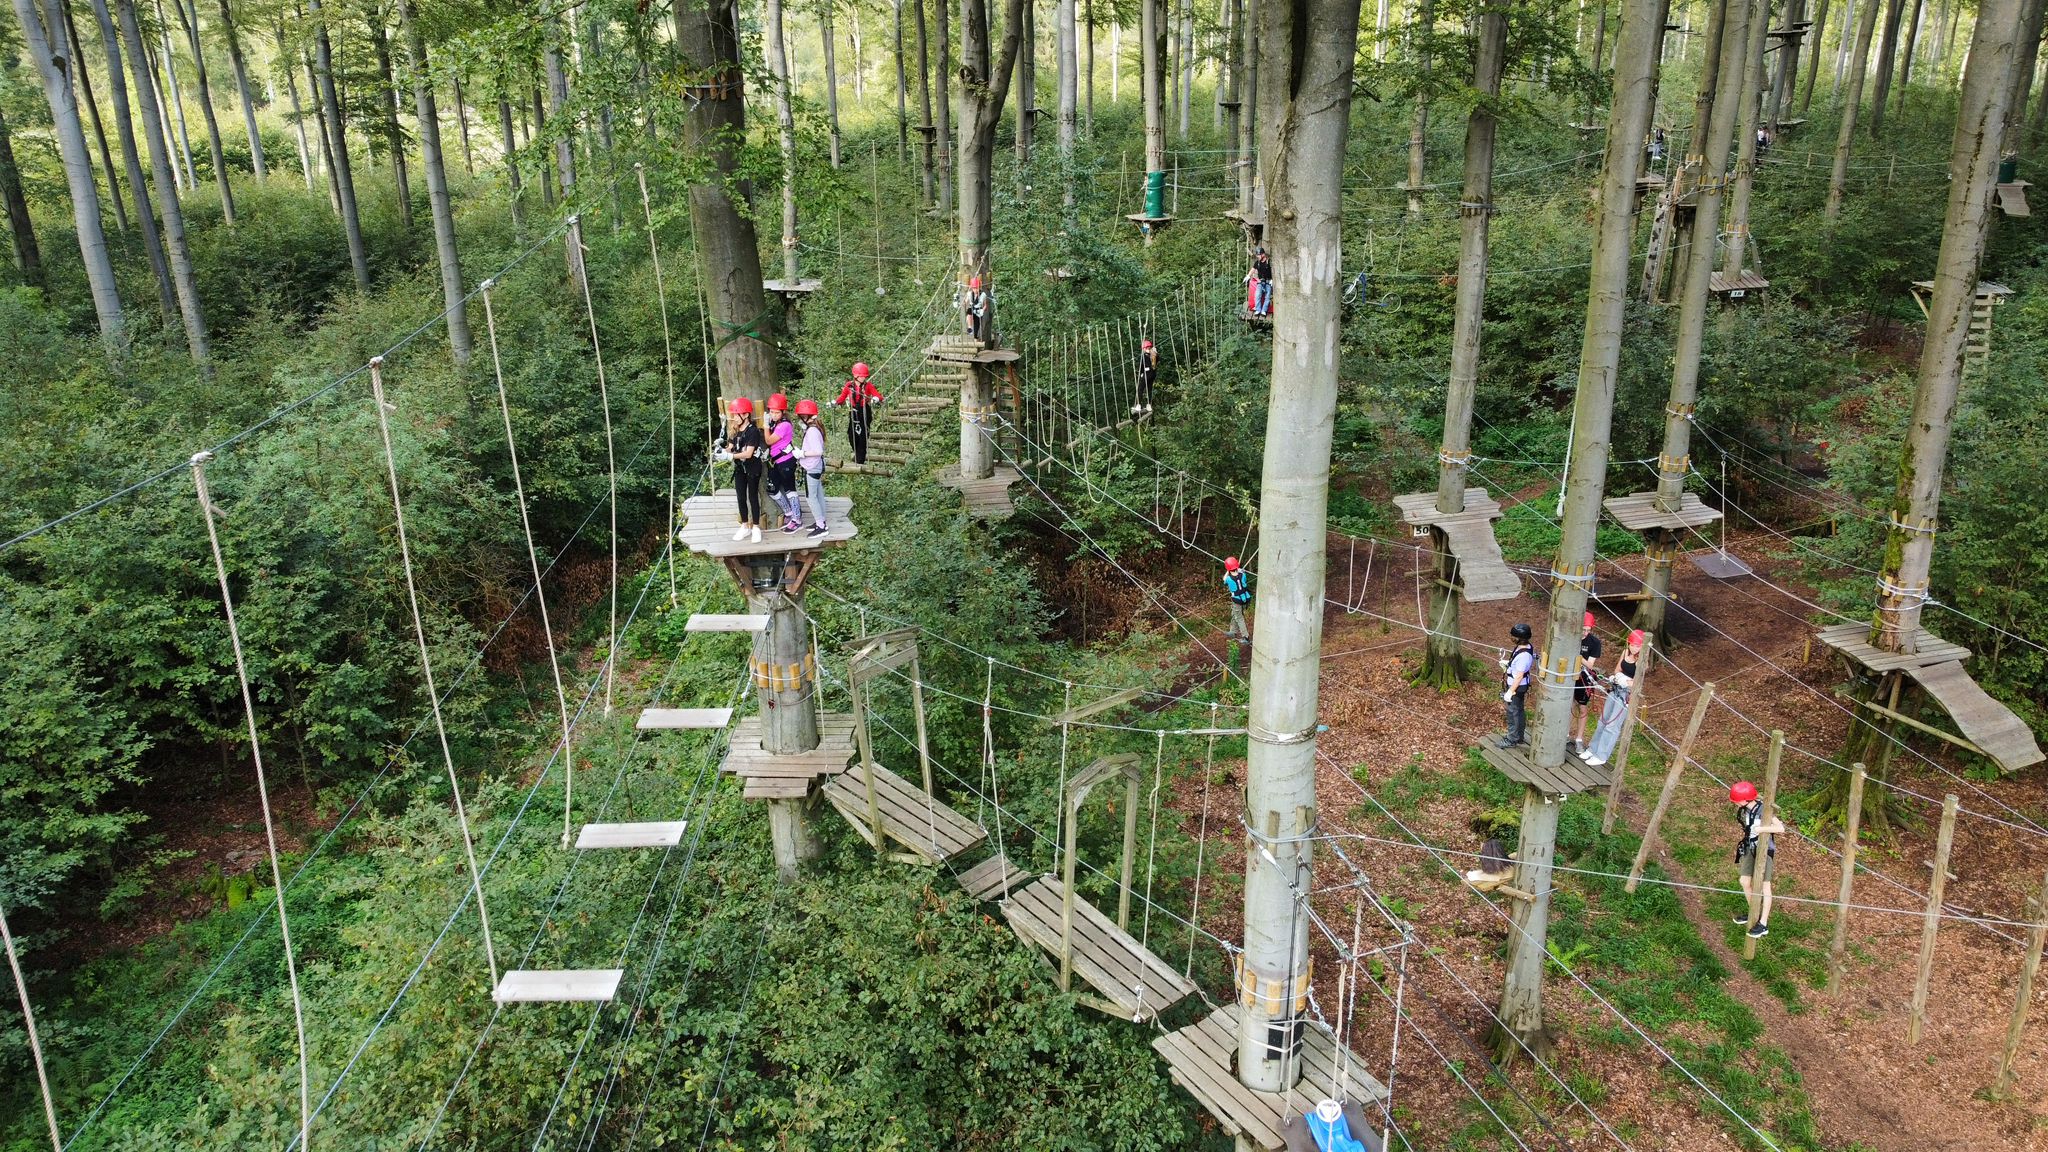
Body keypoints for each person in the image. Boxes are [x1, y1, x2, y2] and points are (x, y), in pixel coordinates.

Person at [1582, 629, 1645, 766]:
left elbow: (1638, 681)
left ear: (1643, 646)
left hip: (1627, 694)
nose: (1634, 648)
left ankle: (1601, 755)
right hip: (1616, 689)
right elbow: (1617, 669)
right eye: (1632, 645)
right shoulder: (1625, 652)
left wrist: (1626, 681)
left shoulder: (1642, 660)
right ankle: (1593, 749)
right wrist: (1618, 676)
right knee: (1603, 720)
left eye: (1637, 646)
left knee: (1612, 725)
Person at [1729, 780, 1783, 939]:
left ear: (1745, 800)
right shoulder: (1746, 809)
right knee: (1744, 881)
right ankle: (1754, 912)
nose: (1736, 803)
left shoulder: (1763, 810)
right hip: (1749, 848)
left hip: (1764, 851)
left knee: (1765, 886)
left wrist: (1762, 829)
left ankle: (1763, 924)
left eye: (1737, 801)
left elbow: (1780, 828)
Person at [722, 397, 767, 543]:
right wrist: (721, 452)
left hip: (752, 467)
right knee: (740, 497)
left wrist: (731, 456)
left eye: (737, 415)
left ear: (746, 415)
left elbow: (748, 453)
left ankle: (755, 527)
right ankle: (744, 526)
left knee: (752, 496)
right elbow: (730, 447)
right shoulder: (734, 431)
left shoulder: (753, 431)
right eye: (734, 415)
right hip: (740, 468)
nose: (734, 418)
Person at [762, 393, 802, 533]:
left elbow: (768, 441)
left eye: (776, 412)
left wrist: (765, 426)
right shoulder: (777, 423)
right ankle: (789, 512)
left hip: (786, 461)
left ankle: (797, 519)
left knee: (790, 490)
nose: (773, 415)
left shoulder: (784, 425)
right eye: (771, 412)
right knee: (772, 489)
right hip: (777, 462)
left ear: (783, 412)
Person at [833, 361, 884, 465]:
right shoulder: (849, 386)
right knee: (851, 434)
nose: (863, 378)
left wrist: (875, 399)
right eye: (861, 376)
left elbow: (879, 396)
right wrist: (835, 403)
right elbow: (842, 398)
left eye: (864, 376)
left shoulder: (868, 386)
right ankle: (857, 453)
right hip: (854, 412)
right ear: (855, 376)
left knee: (863, 435)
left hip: (864, 411)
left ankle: (860, 460)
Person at [796, 399, 830, 538]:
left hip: (813, 467)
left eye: (801, 417)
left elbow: (818, 451)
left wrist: (802, 454)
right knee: (819, 494)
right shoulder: (814, 428)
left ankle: (821, 526)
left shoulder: (812, 431)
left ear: (806, 417)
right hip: (816, 466)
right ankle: (821, 522)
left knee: (811, 497)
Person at [1497, 622, 1535, 748]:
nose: (1511, 638)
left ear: (1520, 638)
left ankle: (1512, 739)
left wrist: (1510, 691)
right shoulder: (1523, 648)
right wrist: (1509, 664)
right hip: (1516, 685)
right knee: (1518, 711)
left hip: (1517, 687)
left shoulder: (1524, 655)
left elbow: (1519, 676)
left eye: (1514, 636)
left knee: (1513, 712)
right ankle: (1518, 736)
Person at [1571, 611, 1604, 751]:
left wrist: (1577, 655)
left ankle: (1579, 738)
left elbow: (1590, 664)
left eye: (1588, 630)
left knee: (1582, 706)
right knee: (1570, 704)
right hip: (1569, 674)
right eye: (1583, 629)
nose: (1585, 633)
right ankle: (1566, 734)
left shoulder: (1594, 642)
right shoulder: (1571, 637)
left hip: (1584, 677)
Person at [1222, 557, 1252, 644]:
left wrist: (1228, 570)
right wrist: (1238, 569)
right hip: (1245, 598)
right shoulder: (1243, 575)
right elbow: (1241, 574)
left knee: (1239, 617)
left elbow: (1224, 579)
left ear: (1228, 568)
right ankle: (1233, 632)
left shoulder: (1228, 579)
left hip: (1237, 600)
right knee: (1235, 613)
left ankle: (1246, 637)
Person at [1245, 247, 1274, 317]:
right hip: (1260, 282)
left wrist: (1273, 280)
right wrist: (1248, 276)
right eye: (1257, 255)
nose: (1257, 256)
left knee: (1267, 297)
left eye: (1259, 255)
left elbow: (1274, 271)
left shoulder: (1269, 262)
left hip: (1268, 282)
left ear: (1263, 254)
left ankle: (1264, 310)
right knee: (1257, 295)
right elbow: (1253, 269)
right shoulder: (1257, 263)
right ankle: (1258, 309)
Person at [1134, 338, 1158, 416]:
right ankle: (1148, 405)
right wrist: (1155, 352)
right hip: (1152, 375)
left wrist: (1140, 373)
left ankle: (1138, 405)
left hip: (1146, 375)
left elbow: (1141, 366)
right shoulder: (1154, 354)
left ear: (1144, 348)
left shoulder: (1144, 356)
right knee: (1149, 390)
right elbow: (1158, 359)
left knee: (1140, 389)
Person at [963, 275, 992, 340]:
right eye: (974, 288)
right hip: (972, 308)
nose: (975, 290)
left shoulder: (983, 294)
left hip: (979, 311)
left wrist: (983, 310)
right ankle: (970, 327)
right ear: (972, 288)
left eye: (976, 288)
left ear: (979, 287)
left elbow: (985, 305)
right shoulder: (969, 294)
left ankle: (975, 336)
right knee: (969, 311)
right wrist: (962, 302)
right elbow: (965, 302)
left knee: (977, 325)